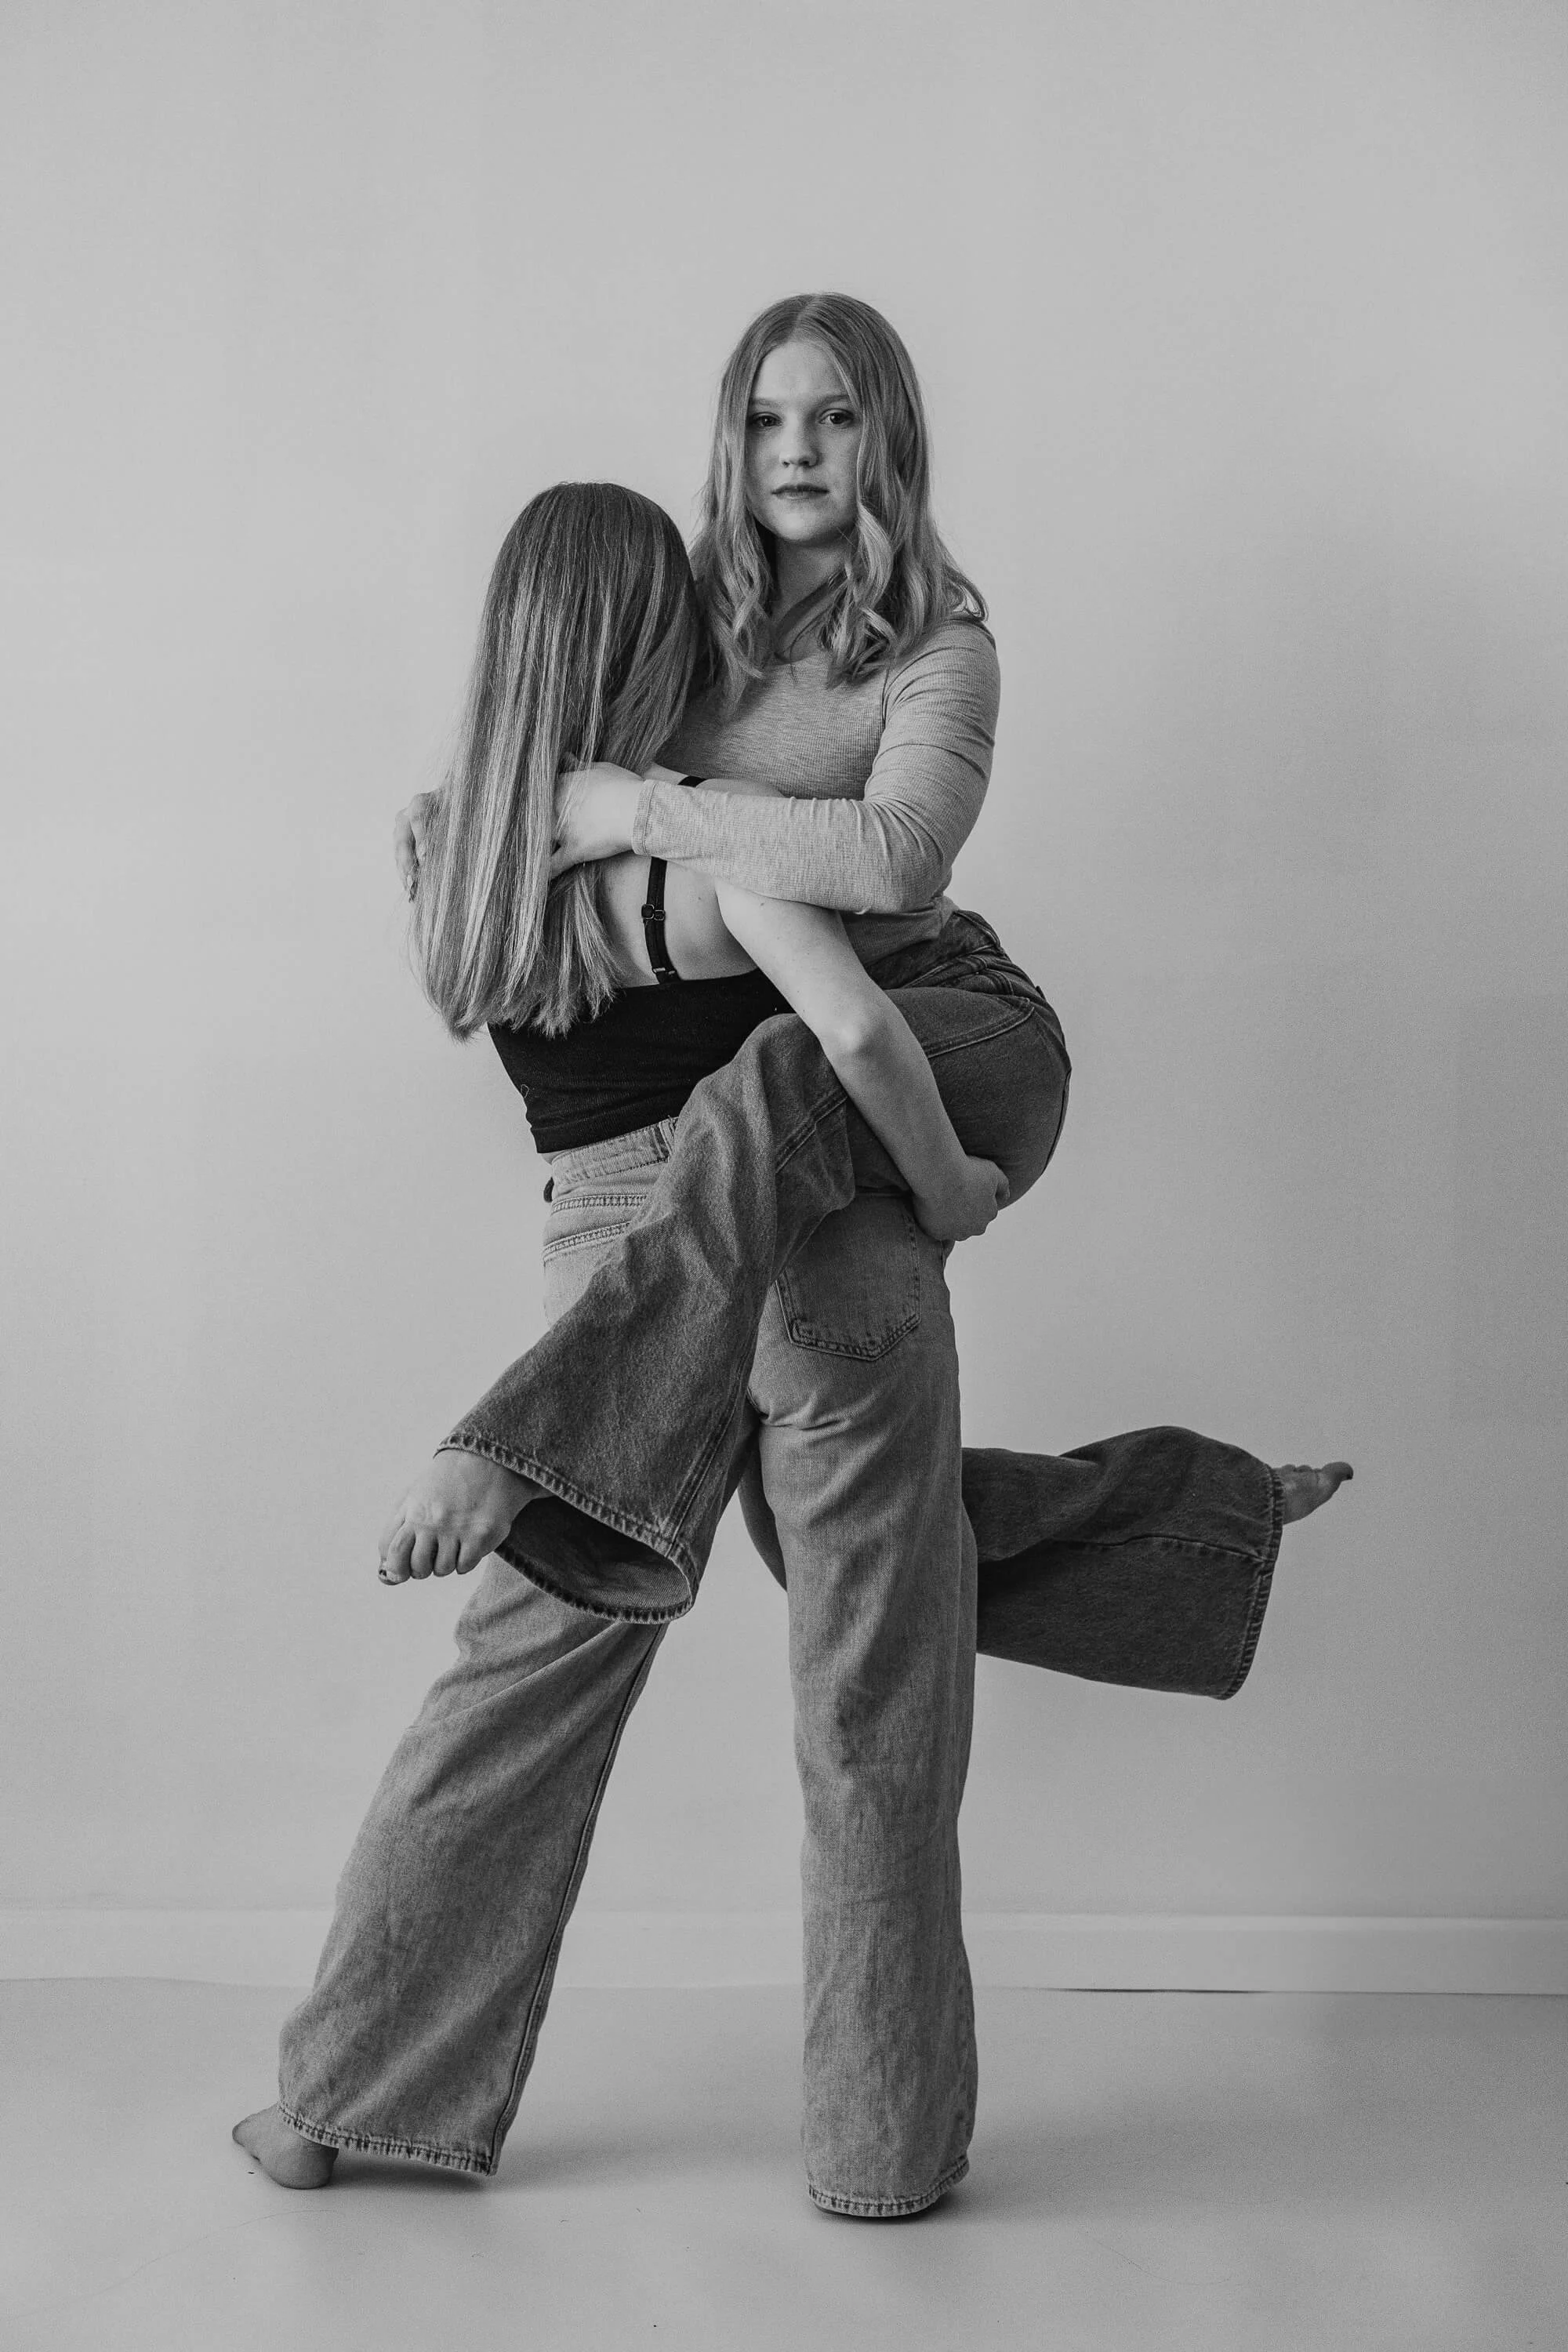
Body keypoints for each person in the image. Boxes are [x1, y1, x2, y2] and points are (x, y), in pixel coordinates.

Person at [236, 295, 1348, 2212]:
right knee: (874, 1690)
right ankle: (882, 2156)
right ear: (651, 638)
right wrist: (955, 1189)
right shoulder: (716, 866)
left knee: (520, 1692)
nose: (793, 457)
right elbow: (846, 1019)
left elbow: (867, 873)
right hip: (832, 1248)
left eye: (827, 422)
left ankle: (341, 2103)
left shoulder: (456, 860)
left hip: (621, 1272)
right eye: (766, 425)